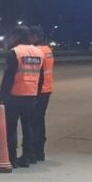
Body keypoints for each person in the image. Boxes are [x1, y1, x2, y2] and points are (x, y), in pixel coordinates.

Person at [0, 26, 44, 168]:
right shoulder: (39, 52)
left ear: (17, 36)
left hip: (14, 95)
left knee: (11, 128)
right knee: (28, 127)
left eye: (12, 36)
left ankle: (12, 158)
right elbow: (41, 77)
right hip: (30, 95)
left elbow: (9, 77)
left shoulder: (15, 52)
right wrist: (37, 94)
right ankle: (26, 157)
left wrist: (2, 96)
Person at [30, 26, 54, 161]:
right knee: (39, 120)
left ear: (36, 37)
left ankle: (33, 152)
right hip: (47, 89)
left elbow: (38, 73)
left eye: (31, 36)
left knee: (33, 122)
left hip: (39, 91)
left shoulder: (38, 51)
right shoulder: (48, 50)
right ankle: (40, 152)